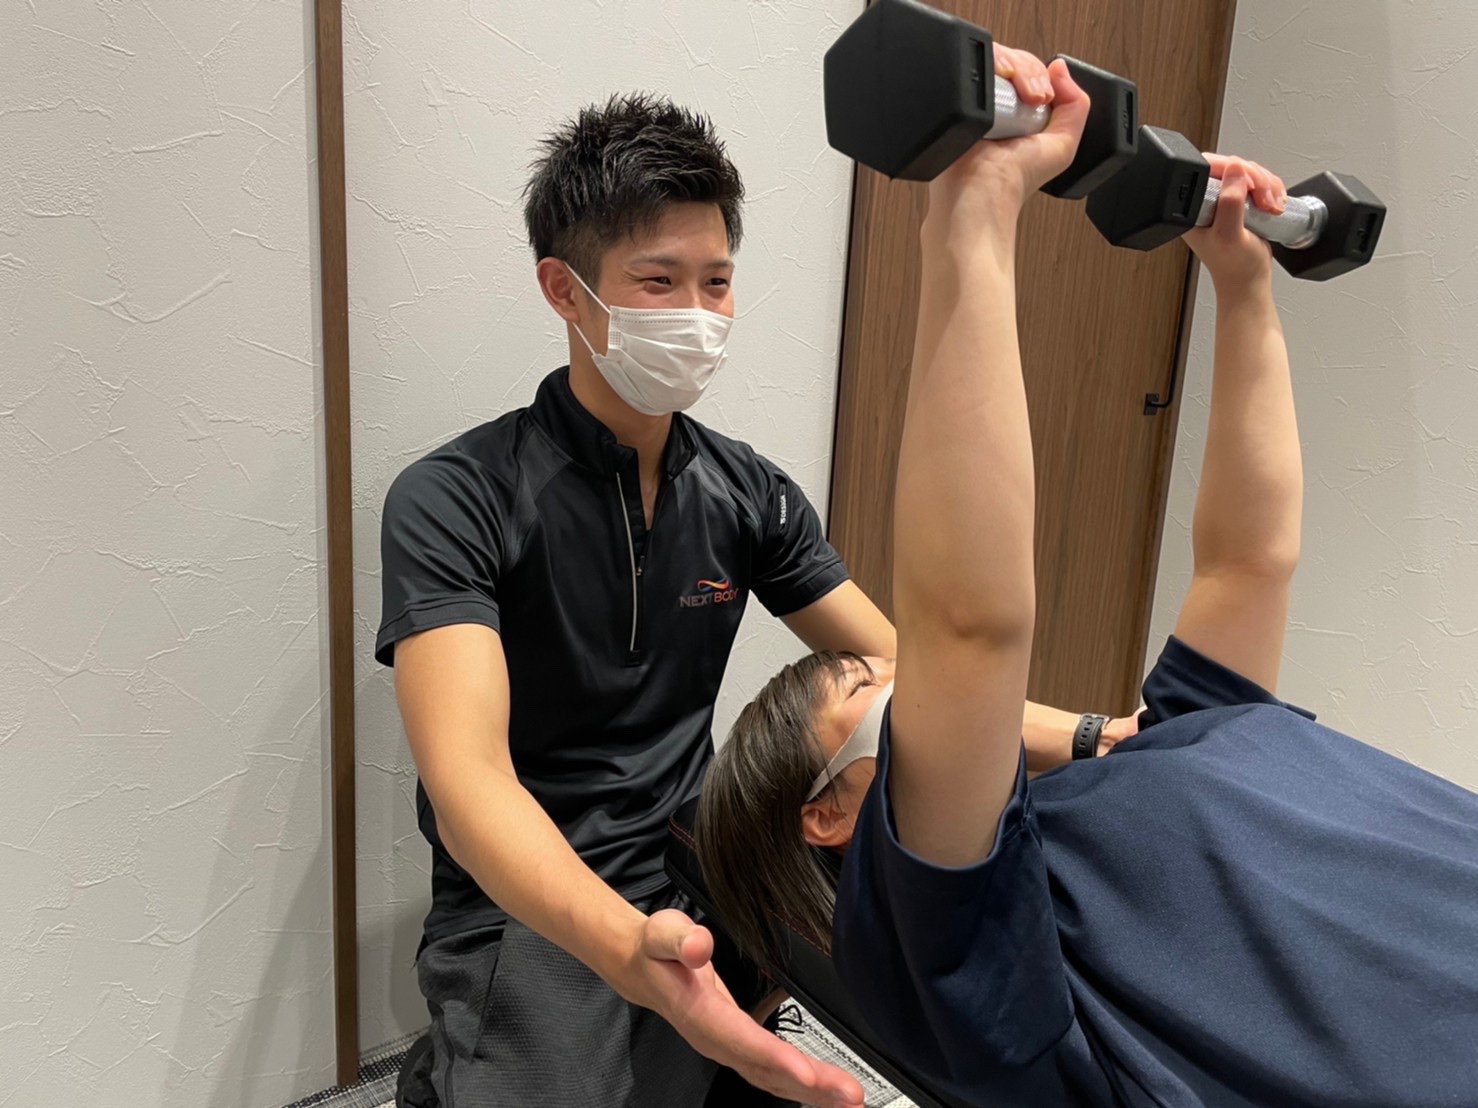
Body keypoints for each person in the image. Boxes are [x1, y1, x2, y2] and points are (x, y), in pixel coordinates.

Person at [696, 58, 1478, 1108]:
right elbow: (966, 626)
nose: (913, 687)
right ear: (829, 816)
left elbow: (1247, 560)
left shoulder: (1178, 734)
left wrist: (1240, 281)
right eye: (871, 685)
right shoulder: (954, 964)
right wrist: (972, 211)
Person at [378, 54, 1134, 1108]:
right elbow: (470, 792)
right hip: (533, 893)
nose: (697, 312)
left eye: (717, 281)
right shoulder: (455, 496)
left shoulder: (747, 492)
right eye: (658, 282)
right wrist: (621, 946)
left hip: (704, 853)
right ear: (563, 289)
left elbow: (909, 672)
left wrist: (1094, 738)